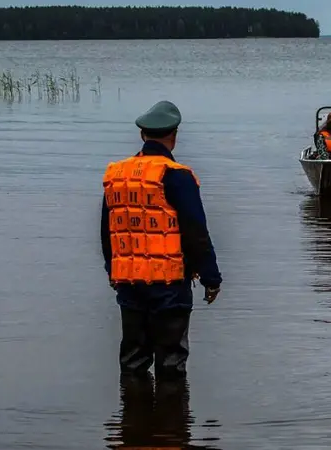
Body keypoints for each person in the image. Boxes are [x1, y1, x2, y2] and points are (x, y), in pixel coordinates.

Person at [100, 100, 223, 381]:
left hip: (128, 283)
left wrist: (112, 271)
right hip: (169, 283)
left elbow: (108, 231)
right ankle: (173, 423)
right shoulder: (177, 176)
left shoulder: (118, 175)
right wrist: (210, 278)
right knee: (171, 363)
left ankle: (132, 420)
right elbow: (196, 232)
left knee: (132, 361)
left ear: (142, 135)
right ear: (174, 135)